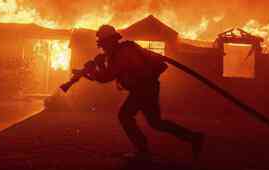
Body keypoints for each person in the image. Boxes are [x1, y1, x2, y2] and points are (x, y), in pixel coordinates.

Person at [84, 24, 205, 161]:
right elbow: (106, 76)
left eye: (103, 43)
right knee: (155, 122)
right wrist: (93, 70)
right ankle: (193, 137)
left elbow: (106, 77)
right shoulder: (119, 52)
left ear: (110, 41)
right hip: (145, 88)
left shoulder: (122, 53)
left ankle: (143, 151)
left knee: (125, 116)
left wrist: (97, 67)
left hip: (143, 88)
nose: (102, 47)